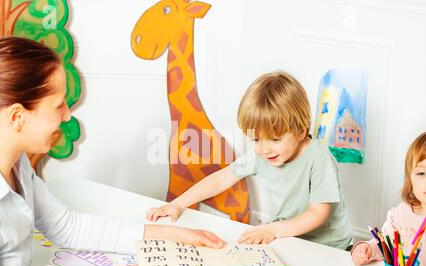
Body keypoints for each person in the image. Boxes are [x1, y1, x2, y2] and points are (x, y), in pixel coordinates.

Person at [0, 36, 225, 266]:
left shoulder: (16, 162)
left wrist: (172, 235)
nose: (67, 115)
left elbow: (67, 226)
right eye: (58, 105)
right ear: (17, 117)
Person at [147, 71, 353, 250]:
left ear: (301, 131)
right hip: (289, 237)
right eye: (255, 139)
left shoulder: (320, 159)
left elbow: (318, 214)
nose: (264, 149)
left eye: (275, 138)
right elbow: (221, 179)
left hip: (329, 247)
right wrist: (178, 204)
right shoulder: (262, 154)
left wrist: (271, 230)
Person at [351, 132, 426, 266]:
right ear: (410, 178)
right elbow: (385, 245)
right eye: (421, 173)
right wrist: (368, 248)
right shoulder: (401, 214)